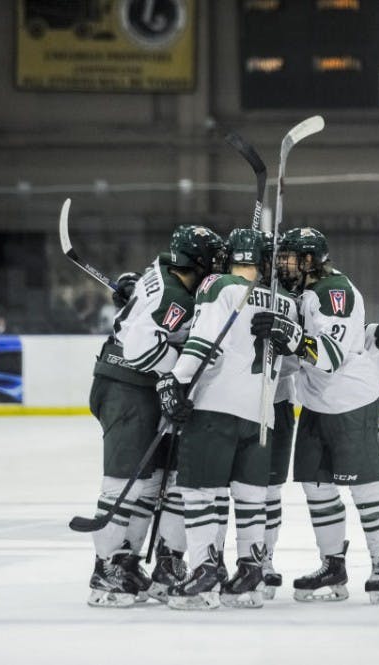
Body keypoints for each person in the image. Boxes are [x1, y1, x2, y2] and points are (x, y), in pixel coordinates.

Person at [257, 233, 379, 601]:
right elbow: (314, 349)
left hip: (350, 403)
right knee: (317, 486)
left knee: (366, 488)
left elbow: (330, 357)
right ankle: (333, 565)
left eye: (290, 258)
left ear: (310, 261)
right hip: (315, 404)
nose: (283, 265)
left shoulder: (332, 293)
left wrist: (288, 335)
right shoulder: (308, 292)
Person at [156, 227, 298, 611]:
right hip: (262, 414)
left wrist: (174, 380)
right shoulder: (286, 301)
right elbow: (292, 362)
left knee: (202, 493)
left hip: (216, 407)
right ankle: (250, 573)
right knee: (252, 498)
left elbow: (206, 344)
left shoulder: (217, 285)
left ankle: (204, 573)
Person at [84, 224, 226, 608]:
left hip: (130, 385)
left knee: (153, 481)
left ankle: (128, 562)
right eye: (212, 263)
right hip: (128, 388)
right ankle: (106, 570)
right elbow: (138, 347)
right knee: (122, 483)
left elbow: (143, 310)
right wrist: (181, 370)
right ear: (197, 264)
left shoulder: (160, 272)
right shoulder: (177, 295)